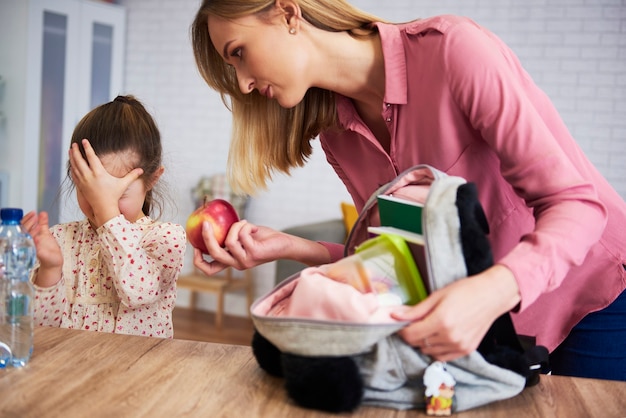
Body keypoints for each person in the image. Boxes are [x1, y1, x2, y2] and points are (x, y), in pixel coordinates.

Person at [190, 0, 626, 380]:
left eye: (239, 53)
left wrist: (492, 291)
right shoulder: (338, 138)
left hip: (596, 294)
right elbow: (397, 260)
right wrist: (290, 246)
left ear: (288, 13)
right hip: (498, 320)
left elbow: (577, 204)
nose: (244, 82)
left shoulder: (454, 51)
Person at [21, 95, 187, 338]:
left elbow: (138, 292)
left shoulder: (165, 239)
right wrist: (50, 268)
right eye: (90, 190)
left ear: (151, 179)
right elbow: (41, 326)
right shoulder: (61, 240)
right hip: (75, 368)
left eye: (115, 193)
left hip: (138, 372)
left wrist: (108, 214)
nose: (101, 204)